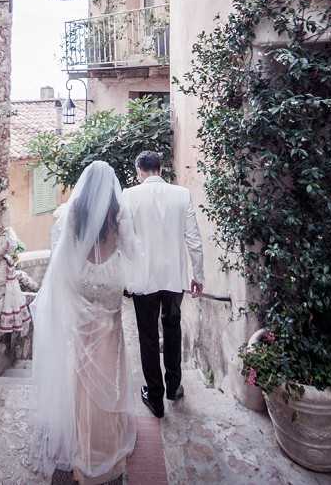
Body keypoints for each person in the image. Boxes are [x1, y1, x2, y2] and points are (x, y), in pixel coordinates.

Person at [31, 160, 138, 485]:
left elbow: (59, 260)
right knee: (110, 369)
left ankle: (81, 447)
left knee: (80, 374)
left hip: (81, 292)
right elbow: (133, 253)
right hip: (108, 293)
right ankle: (106, 447)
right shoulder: (118, 212)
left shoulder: (70, 212)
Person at [122, 150, 204, 419]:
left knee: (147, 337)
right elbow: (194, 239)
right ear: (160, 169)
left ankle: (155, 398)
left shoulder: (129, 196)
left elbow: (124, 243)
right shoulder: (181, 195)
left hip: (143, 280)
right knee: (172, 331)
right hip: (173, 279)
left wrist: (125, 278)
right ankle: (173, 387)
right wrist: (198, 276)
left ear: (139, 170)